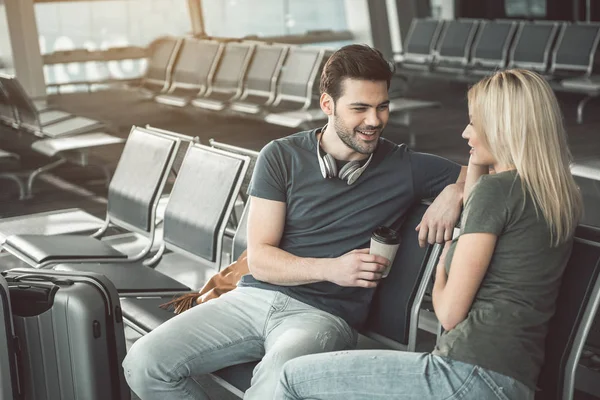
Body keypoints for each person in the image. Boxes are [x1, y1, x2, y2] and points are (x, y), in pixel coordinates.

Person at [122, 44, 466, 400]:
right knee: (144, 363)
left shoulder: (404, 166)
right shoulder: (281, 156)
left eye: (382, 106)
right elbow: (261, 260)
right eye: (359, 108)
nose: (374, 120)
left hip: (322, 317)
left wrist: (454, 192)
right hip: (253, 298)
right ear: (327, 105)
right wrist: (332, 268)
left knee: (273, 388)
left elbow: (489, 177)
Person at [274, 68, 583, 400]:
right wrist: (466, 177)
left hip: (466, 373)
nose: (465, 133)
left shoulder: (497, 193)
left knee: (292, 376)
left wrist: (441, 269)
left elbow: (449, 314)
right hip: (511, 378)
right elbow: (480, 195)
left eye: (475, 124)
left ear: (503, 129)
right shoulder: (558, 196)